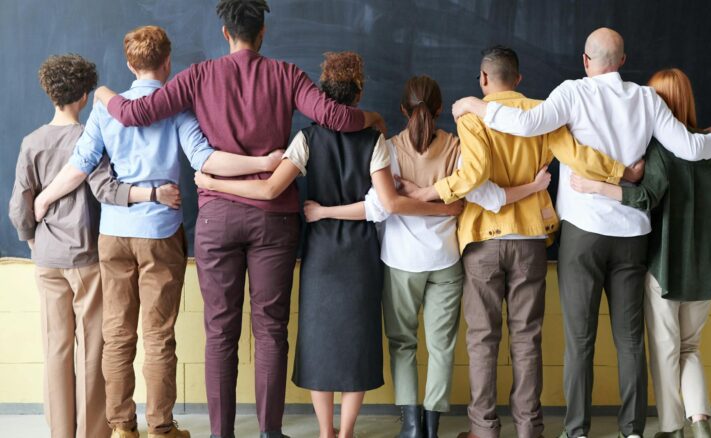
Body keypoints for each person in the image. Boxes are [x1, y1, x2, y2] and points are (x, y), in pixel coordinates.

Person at [93, 3, 386, 437]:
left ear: (226, 34)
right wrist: (374, 119)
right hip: (274, 221)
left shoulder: (197, 76)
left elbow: (136, 113)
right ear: (262, 32)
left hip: (218, 219)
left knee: (220, 331)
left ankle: (221, 434)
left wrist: (102, 94)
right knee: (271, 330)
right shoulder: (286, 75)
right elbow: (336, 118)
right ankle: (269, 432)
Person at [452, 29, 711, 438]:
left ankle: (576, 431)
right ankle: (631, 430)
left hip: (583, 233)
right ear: (621, 60)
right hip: (633, 233)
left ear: (586, 60)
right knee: (630, 339)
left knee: (580, 339)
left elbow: (528, 123)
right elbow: (689, 148)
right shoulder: (646, 99)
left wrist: (477, 104)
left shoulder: (572, 93)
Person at [194, 52, 460, 438]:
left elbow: (269, 188)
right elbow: (385, 204)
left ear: (321, 92)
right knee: (357, 342)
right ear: (359, 92)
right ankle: (347, 432)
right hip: (361, 255)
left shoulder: (306, 138)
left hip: (320, 254)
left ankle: (325, 431)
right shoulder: (376, 141)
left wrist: (215, 183)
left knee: (318, 340)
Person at [33, 27, 278, 438]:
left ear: (130, 64)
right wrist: (268, 162)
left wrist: (43, 200)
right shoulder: (177, 109)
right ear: (168, 63)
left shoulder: (104, 110)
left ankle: (122, 427)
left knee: (116, 334)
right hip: (160, 233)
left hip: (113, 233)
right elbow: (207, 160)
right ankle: (162, 428)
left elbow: (78, 166)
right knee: (159, 334)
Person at [398, 46, 641, 438]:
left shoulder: (472, 116)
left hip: (482, 240)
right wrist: (620, 171)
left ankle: (484, 430)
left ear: (483, 79)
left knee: (482, 340)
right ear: (519, 79)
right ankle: (530, 429)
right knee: (527, 339)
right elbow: (577, 156)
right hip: (530, 238)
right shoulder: (541, 112)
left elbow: (473, 175)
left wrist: (428, 193)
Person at [8, 53, 177, 438]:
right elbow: (105, 189)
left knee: (56, 347)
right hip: (86, 257)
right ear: (85, 95)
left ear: (50, 93)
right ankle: (93, 431)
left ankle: (61, 431)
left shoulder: (31, 142)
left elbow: (21, 204)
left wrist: (32, 237)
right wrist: (148, 193)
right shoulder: (90, 136)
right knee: (93, 348)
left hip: (46, 257)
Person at [569, 68, 711, 438]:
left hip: (665, 267)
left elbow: (645, 198)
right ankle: (701, 425)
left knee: (665, 350)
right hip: (707, 270)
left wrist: (598, 188)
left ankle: (673, 427)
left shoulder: (660, 150)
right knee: (691, 348)